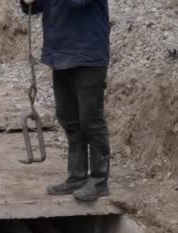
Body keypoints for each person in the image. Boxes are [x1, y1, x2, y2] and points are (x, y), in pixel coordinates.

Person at [20, 0, 111, 202]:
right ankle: (77, 177)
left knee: (91, 120)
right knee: (68, 118)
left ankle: (98, 181)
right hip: (60, 53)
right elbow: (36, 7)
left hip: (89, 54)